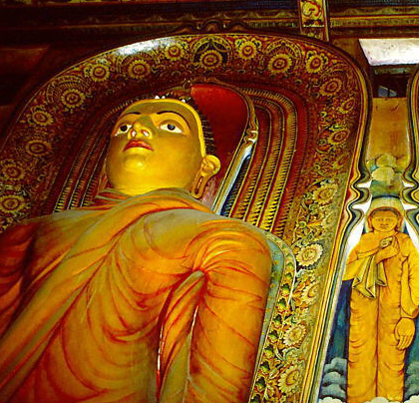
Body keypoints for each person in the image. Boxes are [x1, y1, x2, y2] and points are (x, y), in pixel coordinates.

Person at [0, 96, 272, 403]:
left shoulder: (226, 240)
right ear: (104, 164)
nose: (137, 130)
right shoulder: (27, 233)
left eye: (170, 126)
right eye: (123, 127)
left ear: (205, 168)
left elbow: (216, 386)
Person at [343, 206, 419, 403]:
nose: (384, 221)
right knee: (360, 358)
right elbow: (346, 273)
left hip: (396, 310)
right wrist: (378, 255)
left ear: (398, 221)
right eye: (379, 217)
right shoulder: (363, 242)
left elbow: (417, 279)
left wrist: (408, 316)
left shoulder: (405, 243)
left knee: (392, 361)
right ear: (370, 221)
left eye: (390, 217)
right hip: (362, 308)